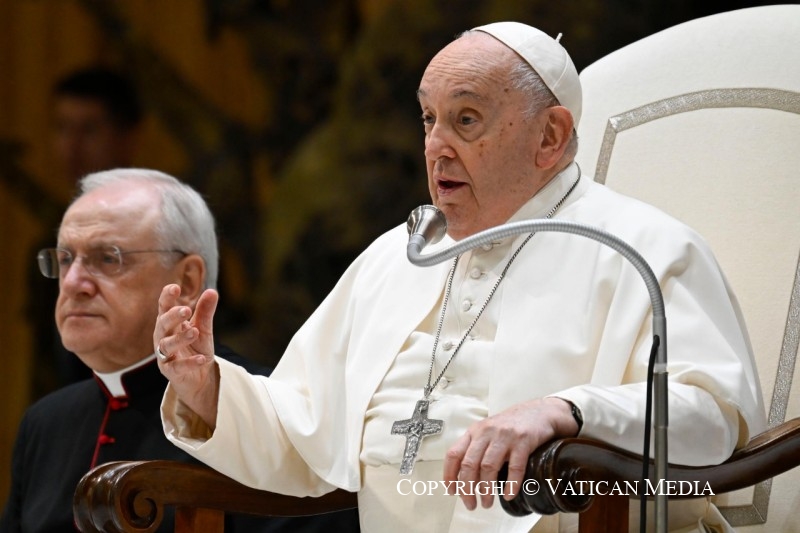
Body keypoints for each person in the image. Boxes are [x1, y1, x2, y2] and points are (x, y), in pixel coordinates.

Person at [154, 22, 766, 532]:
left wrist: (567, 411)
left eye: (465, 120)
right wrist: (205, 385)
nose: (436, 147)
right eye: (428, 119)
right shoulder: (400, 255)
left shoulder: (641, 249)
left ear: (549, 136)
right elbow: (303, 429)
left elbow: (711, 417)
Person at [0, 169, 360, 532]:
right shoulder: (45, 423)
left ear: (186, 281)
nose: (74, 282)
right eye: (65, 260)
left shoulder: (271, 414)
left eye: (107, 258)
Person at [27, 66, 146, 398]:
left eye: (90, 130)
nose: (73, 146)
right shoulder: (49, 245)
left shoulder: (166, 239)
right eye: (63, 128)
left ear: (128, 137)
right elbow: (46, 370)